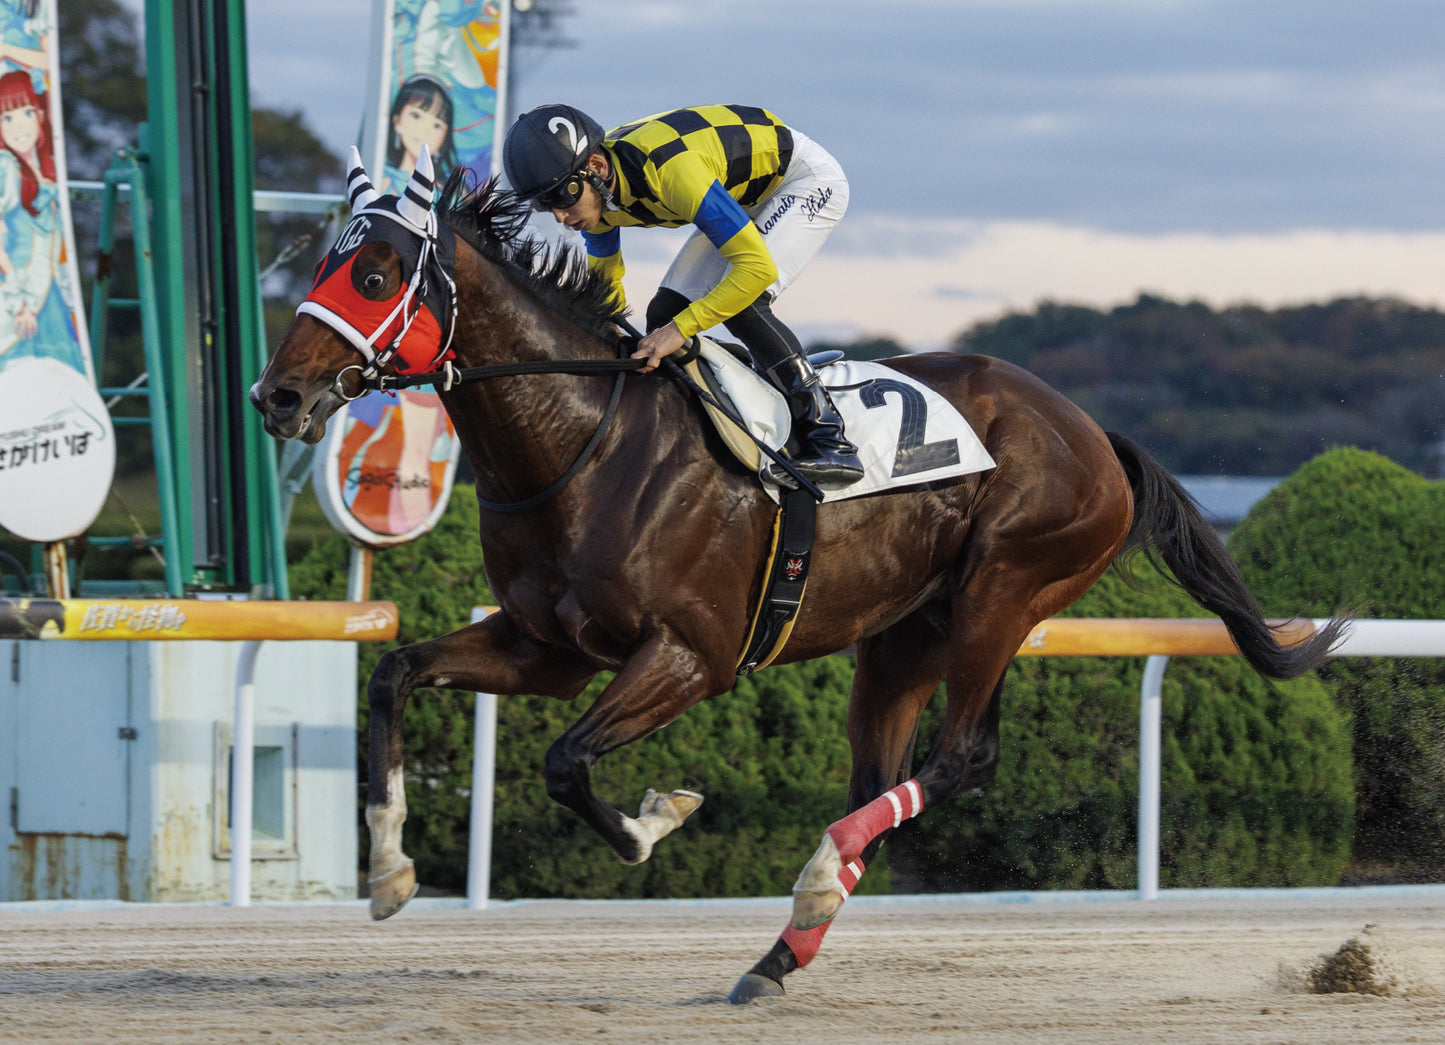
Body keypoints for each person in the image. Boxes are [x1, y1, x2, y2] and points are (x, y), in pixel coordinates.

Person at [502, 103, 864, 489]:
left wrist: (679, 331)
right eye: (545, 204)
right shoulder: (597, 196)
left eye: (562, 196)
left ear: (597, 167)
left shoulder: (669, 173)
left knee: (741, 303)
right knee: (664, 313)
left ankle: (831, 441)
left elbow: (757, 270)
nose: (559, 216)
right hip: (742, 193)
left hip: (802, 180)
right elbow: (606, 289)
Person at [0, 68, 81, 373]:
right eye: (7, 118)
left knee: (57, 375)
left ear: (41, 115)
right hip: (19, 297)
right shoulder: (6, 169)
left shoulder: (44, 172)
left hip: (48, 293)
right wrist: (18, 302)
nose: (18, 125)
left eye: (27, 112)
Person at [383, 74, 459, 196]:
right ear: (397, 121)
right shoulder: (382, 180)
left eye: (437, 125)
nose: (426, 131)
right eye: (416, 116)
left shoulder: (448, 194)